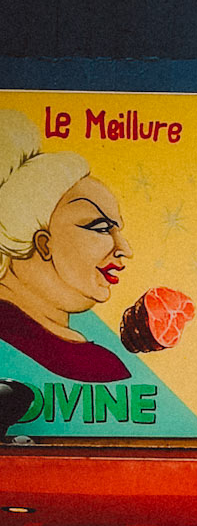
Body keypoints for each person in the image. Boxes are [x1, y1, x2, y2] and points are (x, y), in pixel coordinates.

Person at [0, 108, 131, 382]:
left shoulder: (88, 358)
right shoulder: (93, 366)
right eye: (101, 227)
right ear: (44, 244)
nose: (124, 249)